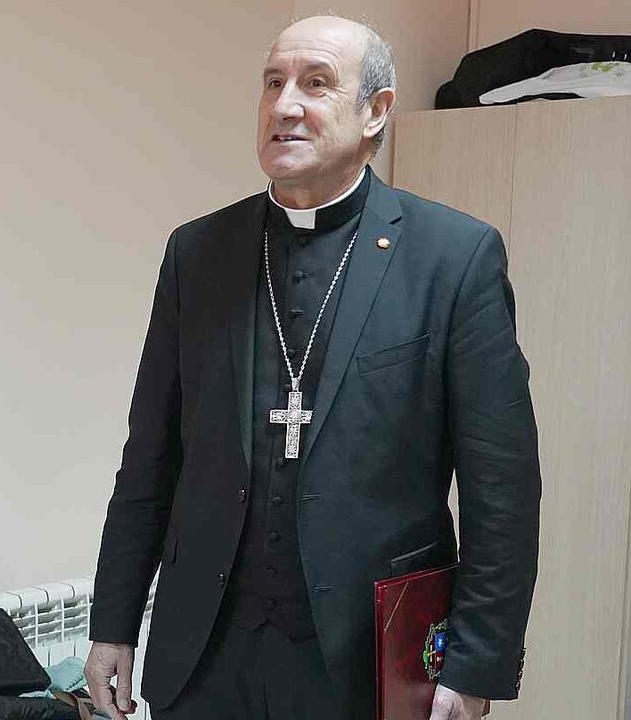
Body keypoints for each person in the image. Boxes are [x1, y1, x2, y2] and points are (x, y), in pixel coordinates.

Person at [84, 16, 540, 720]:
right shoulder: (197, 253)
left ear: (375, 112)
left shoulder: (453, 259)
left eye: (316, 83)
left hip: (364, 660)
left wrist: (475, 663)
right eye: (273, 83)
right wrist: (113, 622)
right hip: (205, 655)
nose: (285, 105)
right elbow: (149, 457)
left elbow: (501, 493)